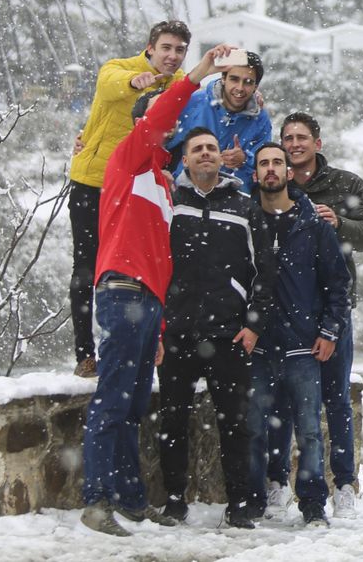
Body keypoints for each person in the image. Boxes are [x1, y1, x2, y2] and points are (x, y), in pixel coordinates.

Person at [79, 42, 234, 537]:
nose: (167, 129)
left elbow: (163, 263)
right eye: (160, 124)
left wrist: (162, 324)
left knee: (130, 404)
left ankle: (128, 497)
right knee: (112, 399)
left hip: (148, 302)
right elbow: (160, 114)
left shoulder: (163, 184)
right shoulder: (128, 159)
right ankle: (96, 500)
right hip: (122, 292)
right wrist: (201, 72)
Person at [156, 126, 278, 528]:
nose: (205, 154)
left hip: (229, 334)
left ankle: (239, 505)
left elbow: (265, 271)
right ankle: (174, 502)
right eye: (197, 150)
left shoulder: (245, 206)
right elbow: (153, 263)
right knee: (172, 420)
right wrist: (158, 322)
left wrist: (254, 325)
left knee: (236, 424)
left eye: (211, 148)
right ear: (185, 159)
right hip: (176, 332)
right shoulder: (169, 202)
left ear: (219, 156)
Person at [267, 112, 363, 518]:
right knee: (281, 401)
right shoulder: (272, 179)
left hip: (334, 305)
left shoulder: (345, 184)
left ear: (317, 142)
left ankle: (344, 484)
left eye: (302, 137)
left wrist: (340, 223)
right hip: (283, 308)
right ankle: (277, 481)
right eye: (288, 138)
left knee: (335, 400)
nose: (294, 144)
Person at [67, 20, 191, 377]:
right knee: (87, 266)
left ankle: (143, 342)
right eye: (165, 48)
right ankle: (84, 353)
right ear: (150, 47)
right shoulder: (119, 68)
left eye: (179, 50)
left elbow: (197, 109)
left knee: (141, 267)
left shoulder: (180, 84)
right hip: (94, 182)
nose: (171, 56)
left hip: (138, 192)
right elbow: (108, 86)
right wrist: (134, 83)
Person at [245, 142, 351, 527]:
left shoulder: (313, 225)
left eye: (278, 163)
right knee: (255, 428)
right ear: (255, 174)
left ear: (290, 172)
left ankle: (312, 507)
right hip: (258, 346)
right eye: (264, 164)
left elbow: (338, 285)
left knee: (308, 431)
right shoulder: (247, 221)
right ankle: (255, 502)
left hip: (303, 346)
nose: (271, 169)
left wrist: (328, 331)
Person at [167, 51, 272, 190]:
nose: (240, 88)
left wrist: (245, 160)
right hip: (185, 192)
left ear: (255, 87)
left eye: (248, 82)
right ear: (223, 78)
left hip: (232, 201)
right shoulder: (195, 102)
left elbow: (265, 166)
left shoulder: (261, 121)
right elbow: (164, 144)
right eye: (234, 79)